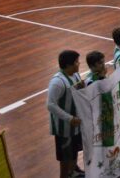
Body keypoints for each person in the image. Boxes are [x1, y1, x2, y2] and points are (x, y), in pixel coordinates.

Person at [46, 50, 84, 178]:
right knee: (64, 156)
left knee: (73, 151)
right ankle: (64, 175)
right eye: (76, 62)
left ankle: (73, 171)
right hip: (64, 128)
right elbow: (50, 105)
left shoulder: (75, 75)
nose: (79, 63)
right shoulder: (57, 82)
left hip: (76, 124)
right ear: (68, 65)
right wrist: (69, 118)